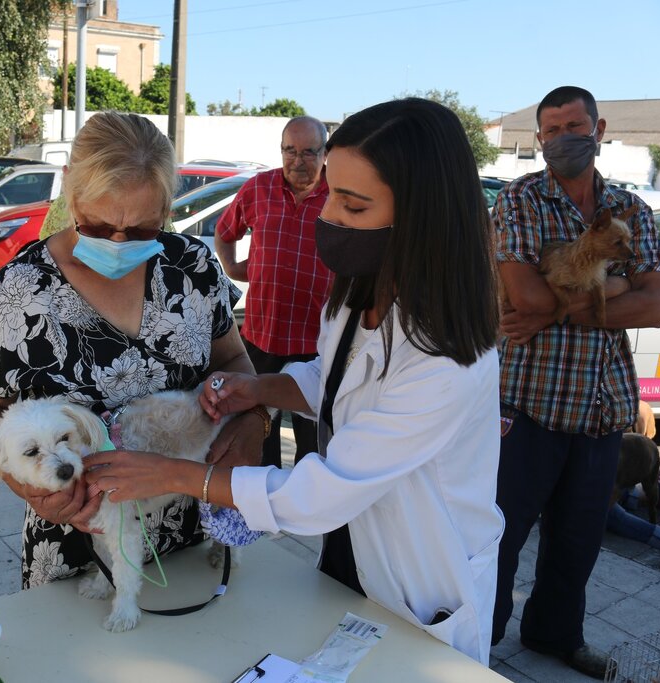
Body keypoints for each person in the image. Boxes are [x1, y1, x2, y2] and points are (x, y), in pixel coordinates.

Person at [86, 98, 504, 664]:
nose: (327, 215)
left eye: (352, 206)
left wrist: (172, 474)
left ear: (421, 221)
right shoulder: (359, 293)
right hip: (353, 552)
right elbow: (332, 380)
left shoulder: (447, 359)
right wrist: (258, 389)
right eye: (332, 190)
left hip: (422, 578)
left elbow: (321, 492)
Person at [0, 112, 266, 588]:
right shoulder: (21, 288)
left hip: (192, 529)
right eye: (99, 226)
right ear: (71, 193)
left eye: (143, 229)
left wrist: (252, 421)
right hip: (79, 541)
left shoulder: (193, 267)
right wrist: (30, 486)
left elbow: (234, 362)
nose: (119, 242)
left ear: (167, 208)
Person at [491, 86, 660, 678]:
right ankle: (477, 640)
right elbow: (525, 295)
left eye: (575, 125)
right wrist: (615, 286)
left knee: (578, 541)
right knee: (498, 535)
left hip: (601, 404)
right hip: (528, 401)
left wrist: (566, 307)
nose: (564, 137)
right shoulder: (519, 201)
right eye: (552, 129)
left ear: (599, 128)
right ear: (539, 139)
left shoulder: (632, 210)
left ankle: (554, 636)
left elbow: (654, 306)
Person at [215, 116, 334, 468]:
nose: (298, 161)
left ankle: (309, 508)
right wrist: (234, 268)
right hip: (262, 336)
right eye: (290, 151)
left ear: (324, 153)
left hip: (316, 342)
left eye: (309, 152)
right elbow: (225, 232)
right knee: (256, 433)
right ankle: (262, 506)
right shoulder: (258, 188)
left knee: (313, 442)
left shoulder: (337, 196)